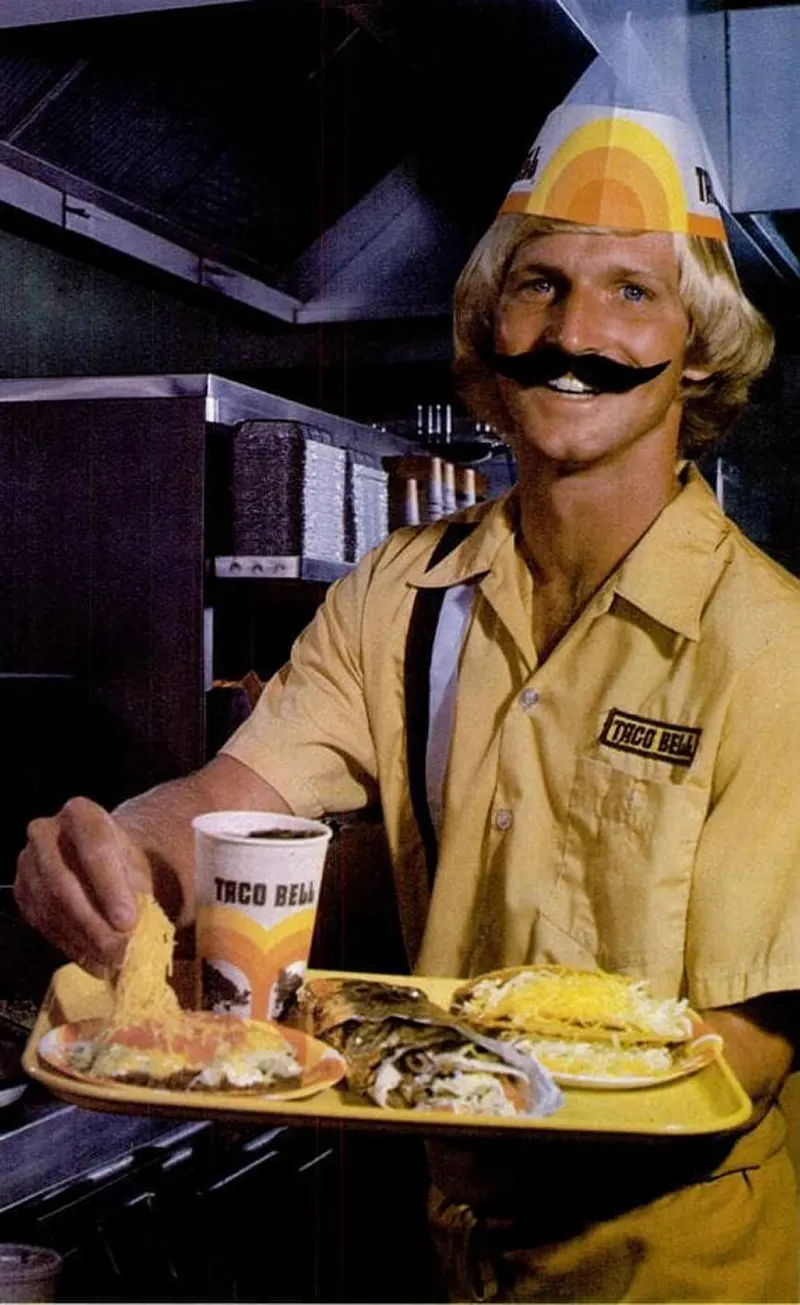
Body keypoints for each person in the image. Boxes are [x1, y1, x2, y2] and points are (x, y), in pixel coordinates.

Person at [15, 78, 800, 1302]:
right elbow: (233, 791)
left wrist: (465, 1085)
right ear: (489, 321)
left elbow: (739, 1055)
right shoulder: (404, 591)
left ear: (692, 351)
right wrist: (124, 852)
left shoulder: (773, 647)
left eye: (630, 292)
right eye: (537, 282)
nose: (570, 330)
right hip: (448, 1257)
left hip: (677, 1270)